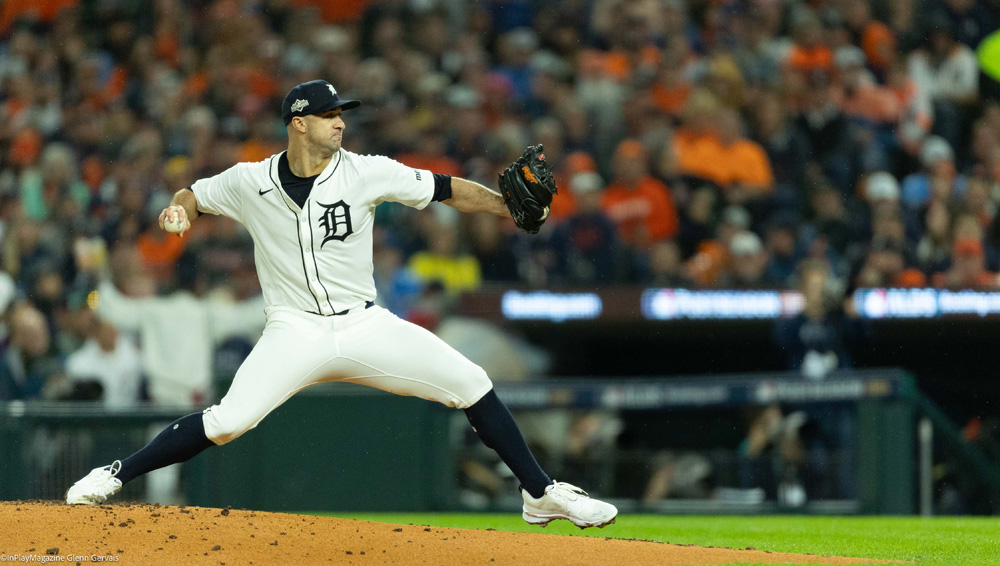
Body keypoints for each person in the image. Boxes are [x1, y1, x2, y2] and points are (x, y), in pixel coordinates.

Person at [65, 80, 617, 529]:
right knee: (229, 421)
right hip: (293, 330)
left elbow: (446, 188)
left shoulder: (366, 170)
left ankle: (539, 493)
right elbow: (194, 193)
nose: (340, 123)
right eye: (329, 114)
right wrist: (179, 209)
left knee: (471, 381)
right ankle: (114, 475)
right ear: (298, 123)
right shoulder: (250, 180)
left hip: (364, 324)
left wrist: (509, 210)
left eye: (341, 115)